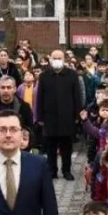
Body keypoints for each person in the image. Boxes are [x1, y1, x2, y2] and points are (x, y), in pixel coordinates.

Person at [36, 50, 85, 181]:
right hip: (49, 117)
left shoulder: (72, 75)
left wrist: (77, 115)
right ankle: (52, 170)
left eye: (60, 58)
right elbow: (39, 97)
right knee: (50, 147)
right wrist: (39, 116)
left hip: (67, 117)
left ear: (64, 59)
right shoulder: (44, 76)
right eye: (54, 58)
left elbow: (77, 97)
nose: (57, 60)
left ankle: (66, 170)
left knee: (66, 147)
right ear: (50, 59)